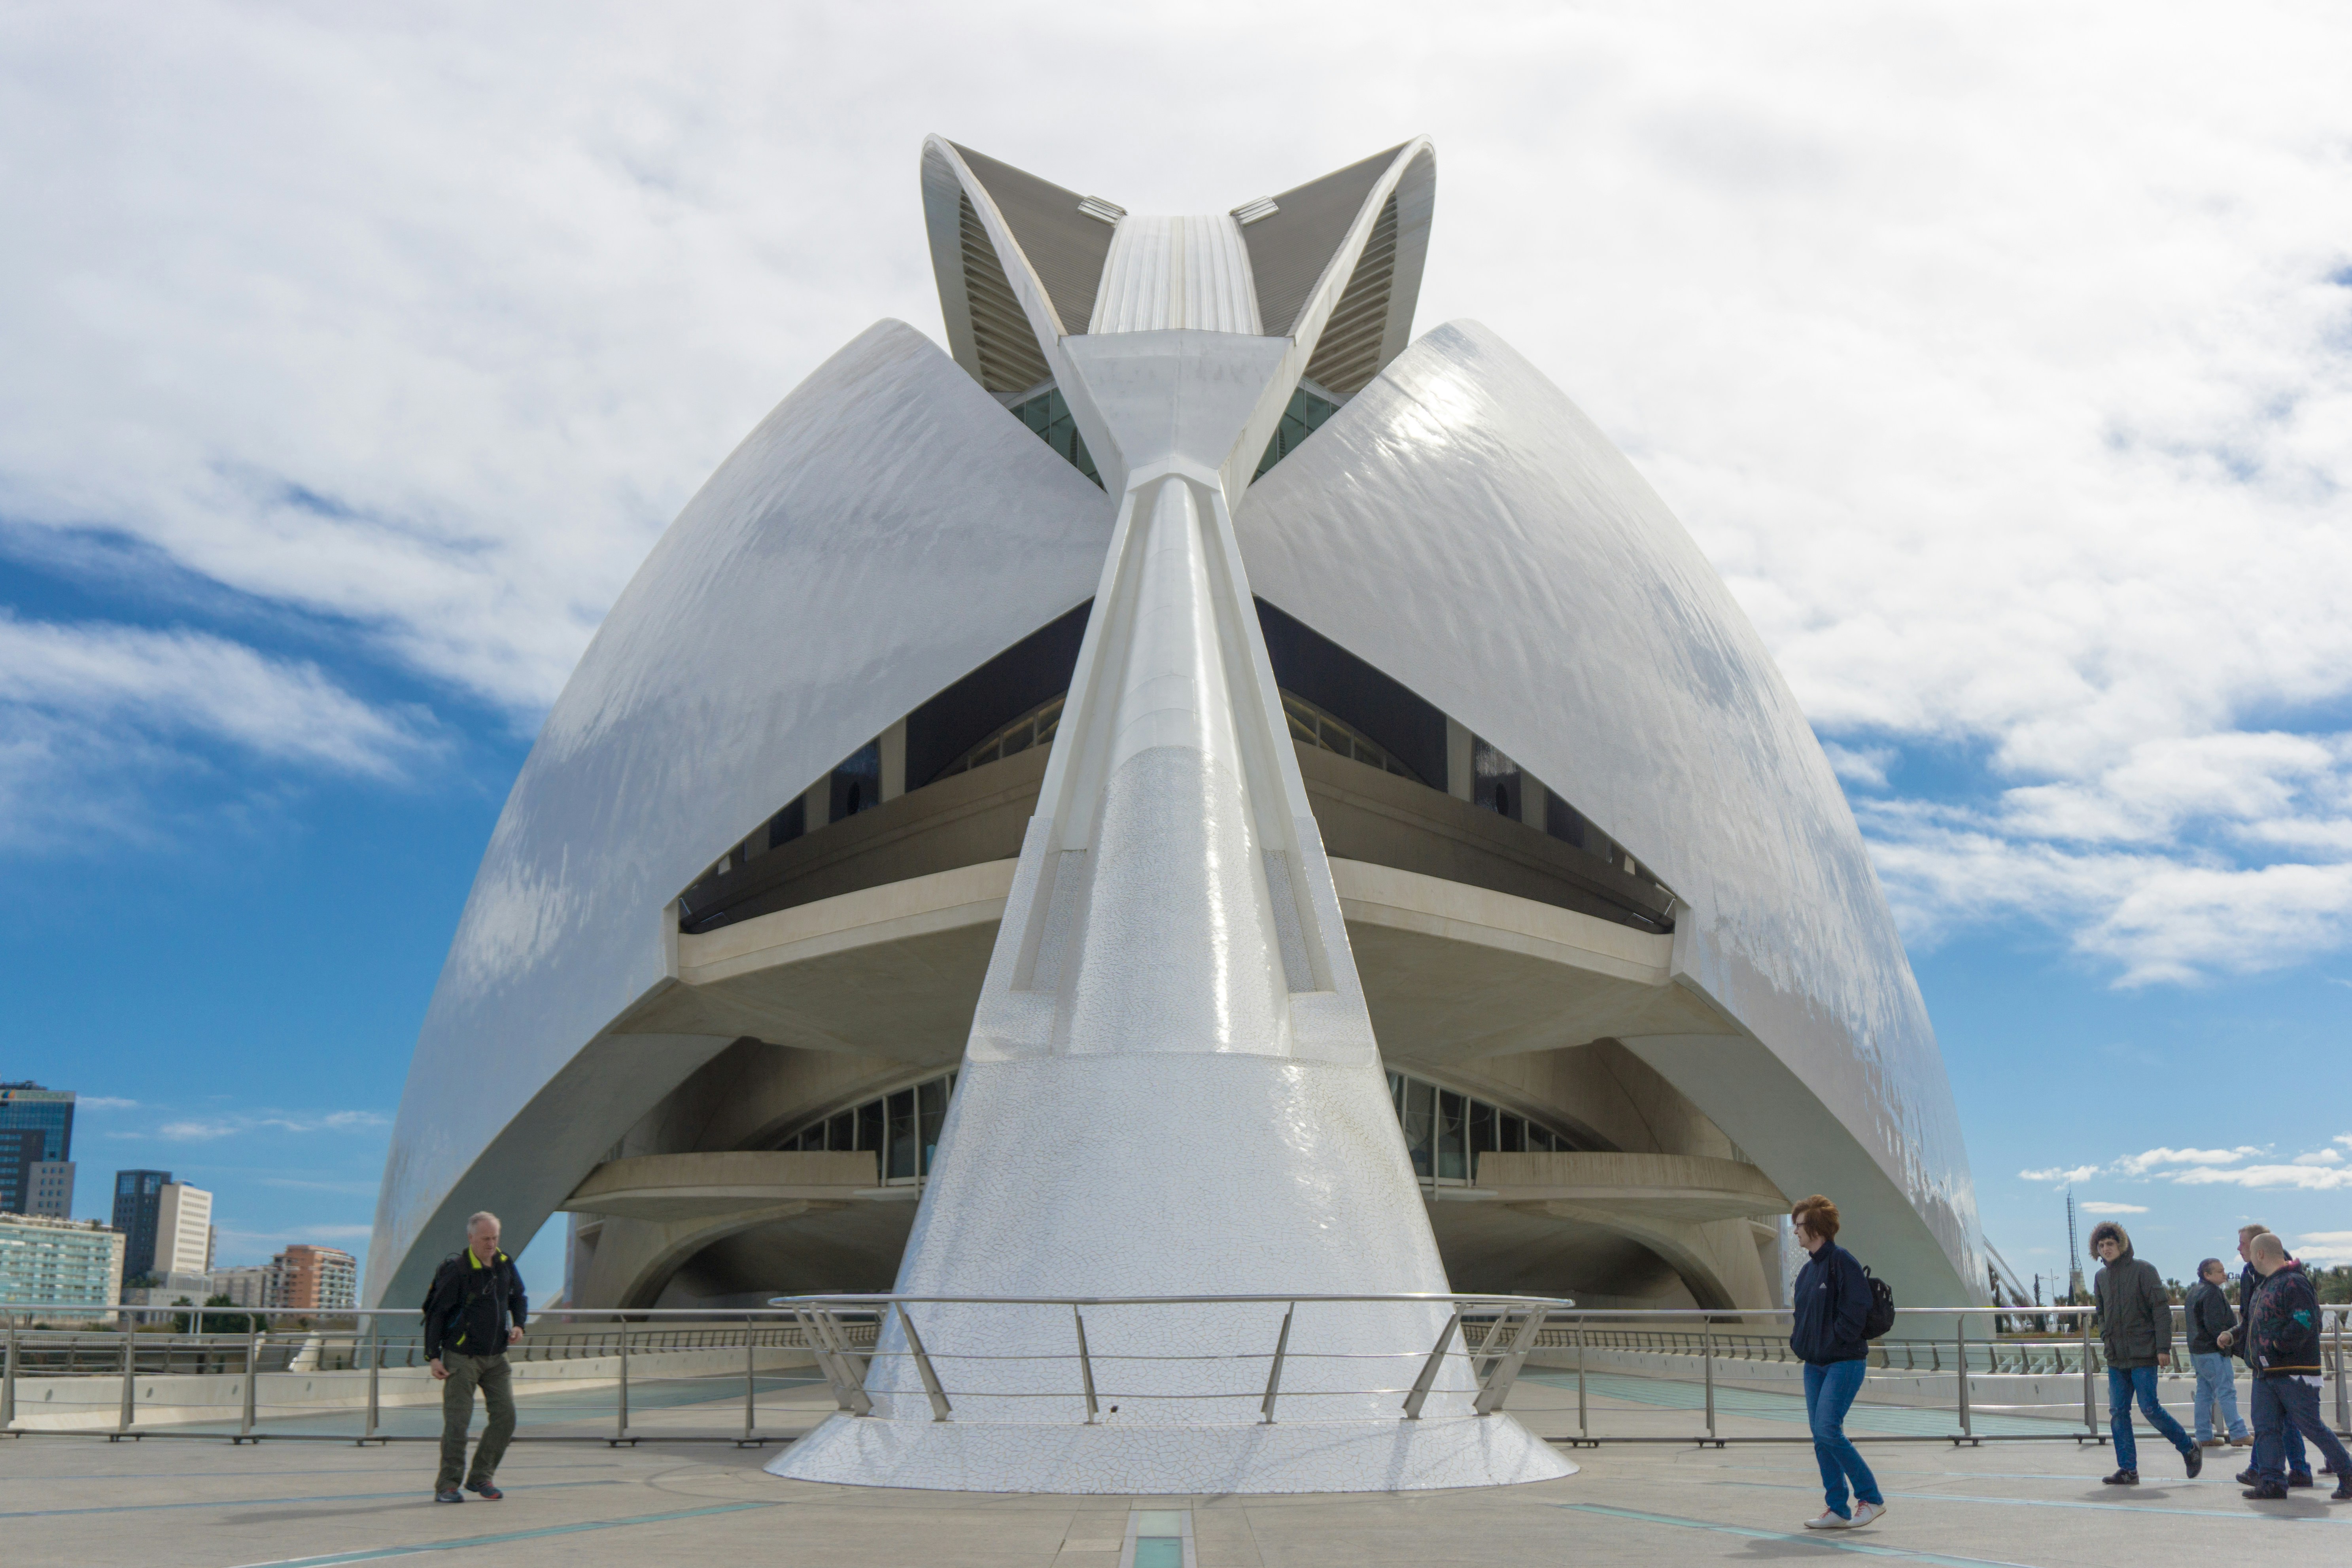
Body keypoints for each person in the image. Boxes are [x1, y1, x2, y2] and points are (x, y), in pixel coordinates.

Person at [1787, 1195, 1886, 1530]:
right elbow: (1803, 1315)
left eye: (1798, 1225)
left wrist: (1835, 1339)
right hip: (1814, 1364)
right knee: (1820, 1435)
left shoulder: (1842, 1261)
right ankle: (1837, 1508)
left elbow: (1856, 1309)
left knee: (1828, 1428)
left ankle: (1870, 1498)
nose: (1795, 1232)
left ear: (1815, 1227)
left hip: (1844, 1361)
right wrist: (1801, 1342)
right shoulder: (1808, 1270)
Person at [2237, 1231, 2352, 1501]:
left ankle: (2348, 1473)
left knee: (2310, 1425)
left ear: (2261, 1254)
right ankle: (2272, 1480)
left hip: (2294, 1372)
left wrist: (2277, 1347)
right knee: (2265, 1427)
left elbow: (2304, 1321)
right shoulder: (2267, 1285)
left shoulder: (2294, 1283)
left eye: (2252, 1254)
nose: (2250, 1260)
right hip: (2265, 1372)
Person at [424, 1211, 528, 1505]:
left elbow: (519, 1296)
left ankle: (481, 1476)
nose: (491, 1244)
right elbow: (437, 1313)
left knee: (506, 1417)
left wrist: (519, 1323)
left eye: (495, 1238)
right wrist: (433, 1356)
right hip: (461, 1357)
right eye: (486, 1238)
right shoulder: (457, 1270)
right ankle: (447, 1484)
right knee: (458, 1423)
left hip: (497, 1357)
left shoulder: (505, 1263)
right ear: (471, 1238)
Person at [2087, 1221, 2199, 1484]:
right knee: (2118, 1412)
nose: (2106, 1249)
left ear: (2121, 1244)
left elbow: (2161, 1310)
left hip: (2144, 1353)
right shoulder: (2101, 1278)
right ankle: (2128, 1470)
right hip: (2116, 1357)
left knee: (2150, 1408)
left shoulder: (2144, 1270)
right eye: (2101, 1246)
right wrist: (2105, 1335)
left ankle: (2189, 1447)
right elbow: (2101, 1312)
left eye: (2110, 1244)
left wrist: (2163, 1347)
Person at [2218, 1222, 2312, 1489]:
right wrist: (2236, 1335)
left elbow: (2297, 1318)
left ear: (2260, 1247)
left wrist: (2275, 1346)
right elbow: (2250, 1317)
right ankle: (2289, 1469)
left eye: (2243, 1243)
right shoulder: (2251, 1272)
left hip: (2278, 1359)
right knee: (2278, 1419)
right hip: (2265, 1356)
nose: (2239, 1248)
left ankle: (2270, 1470)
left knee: (2279, 1419)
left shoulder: (2281, 1273)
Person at [2183, 1257, 2249, 1448]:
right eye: (2220, 1271)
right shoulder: (2212, 1293)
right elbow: (2216, 1325)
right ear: (2207, 1275)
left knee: (2205, 1394)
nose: (2224, 1274)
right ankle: (2238, 1433)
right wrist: (2227, 1343)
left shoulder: (2194, 1292)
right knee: (2226, 1391)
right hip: (2213, 1351)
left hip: (2198, 1351)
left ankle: (2204, 1435)